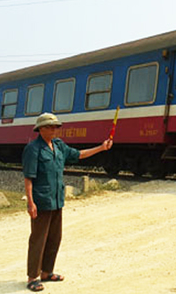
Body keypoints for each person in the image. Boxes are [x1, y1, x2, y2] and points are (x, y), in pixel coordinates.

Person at [22, 112, 113, 292]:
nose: (54, 129)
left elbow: (79, 154)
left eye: (56, 126)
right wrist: (30, 203)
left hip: (57, 200)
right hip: (41, 201)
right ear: (40, 129)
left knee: (55, 238)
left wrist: (101, 148)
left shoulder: (58, 145)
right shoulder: (33, 149)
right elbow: (28, 178)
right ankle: (33, 277)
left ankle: (47, 272)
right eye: (49, 126)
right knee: (38, 239)